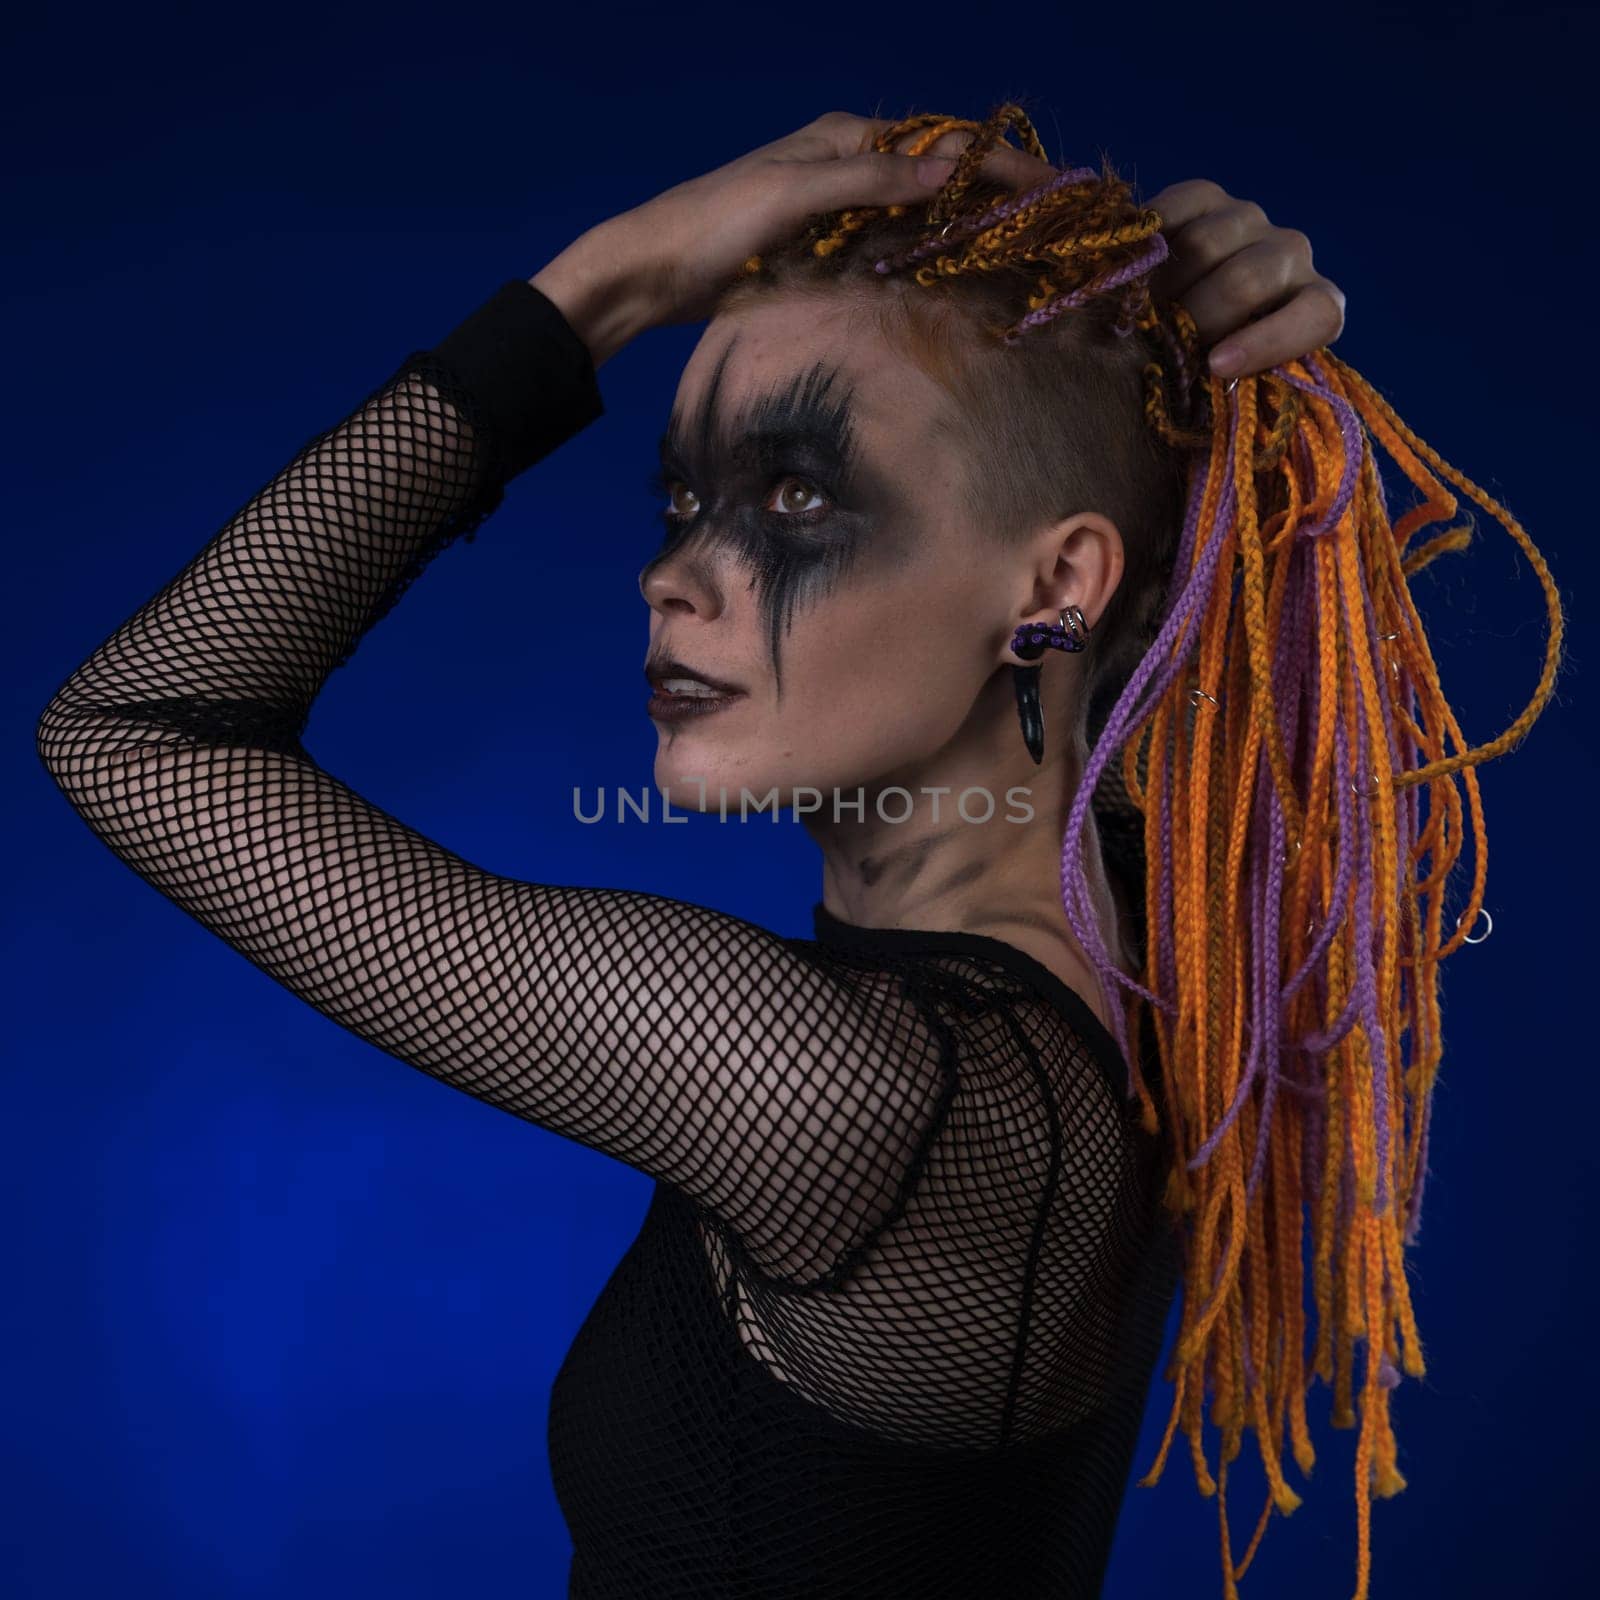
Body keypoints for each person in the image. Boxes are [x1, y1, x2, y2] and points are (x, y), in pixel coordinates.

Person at [34, 104, 1562, 1600]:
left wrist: (607, 287)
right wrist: (1207, 373)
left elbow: (138, 728)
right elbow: (1189, 633)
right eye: (686, 494)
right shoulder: (1149, 913)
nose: (672, 576)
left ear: (1058, 587)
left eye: (795, 496)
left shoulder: (851, 1100)